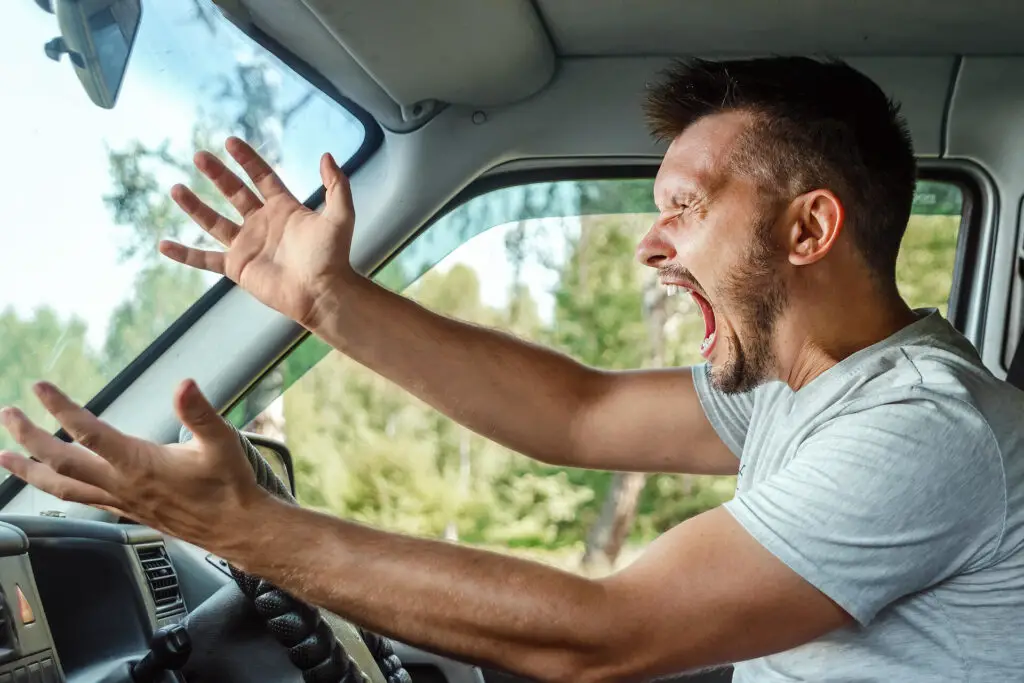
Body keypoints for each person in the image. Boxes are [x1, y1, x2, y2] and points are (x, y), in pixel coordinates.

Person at [1, 56, 1022, 682]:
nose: (650, 245)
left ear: (809, 228)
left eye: (684, 206)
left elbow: (604, 633)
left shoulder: (921, 427)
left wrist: (239, 527)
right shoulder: (807, 390)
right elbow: (573, 414)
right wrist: (326, 302)